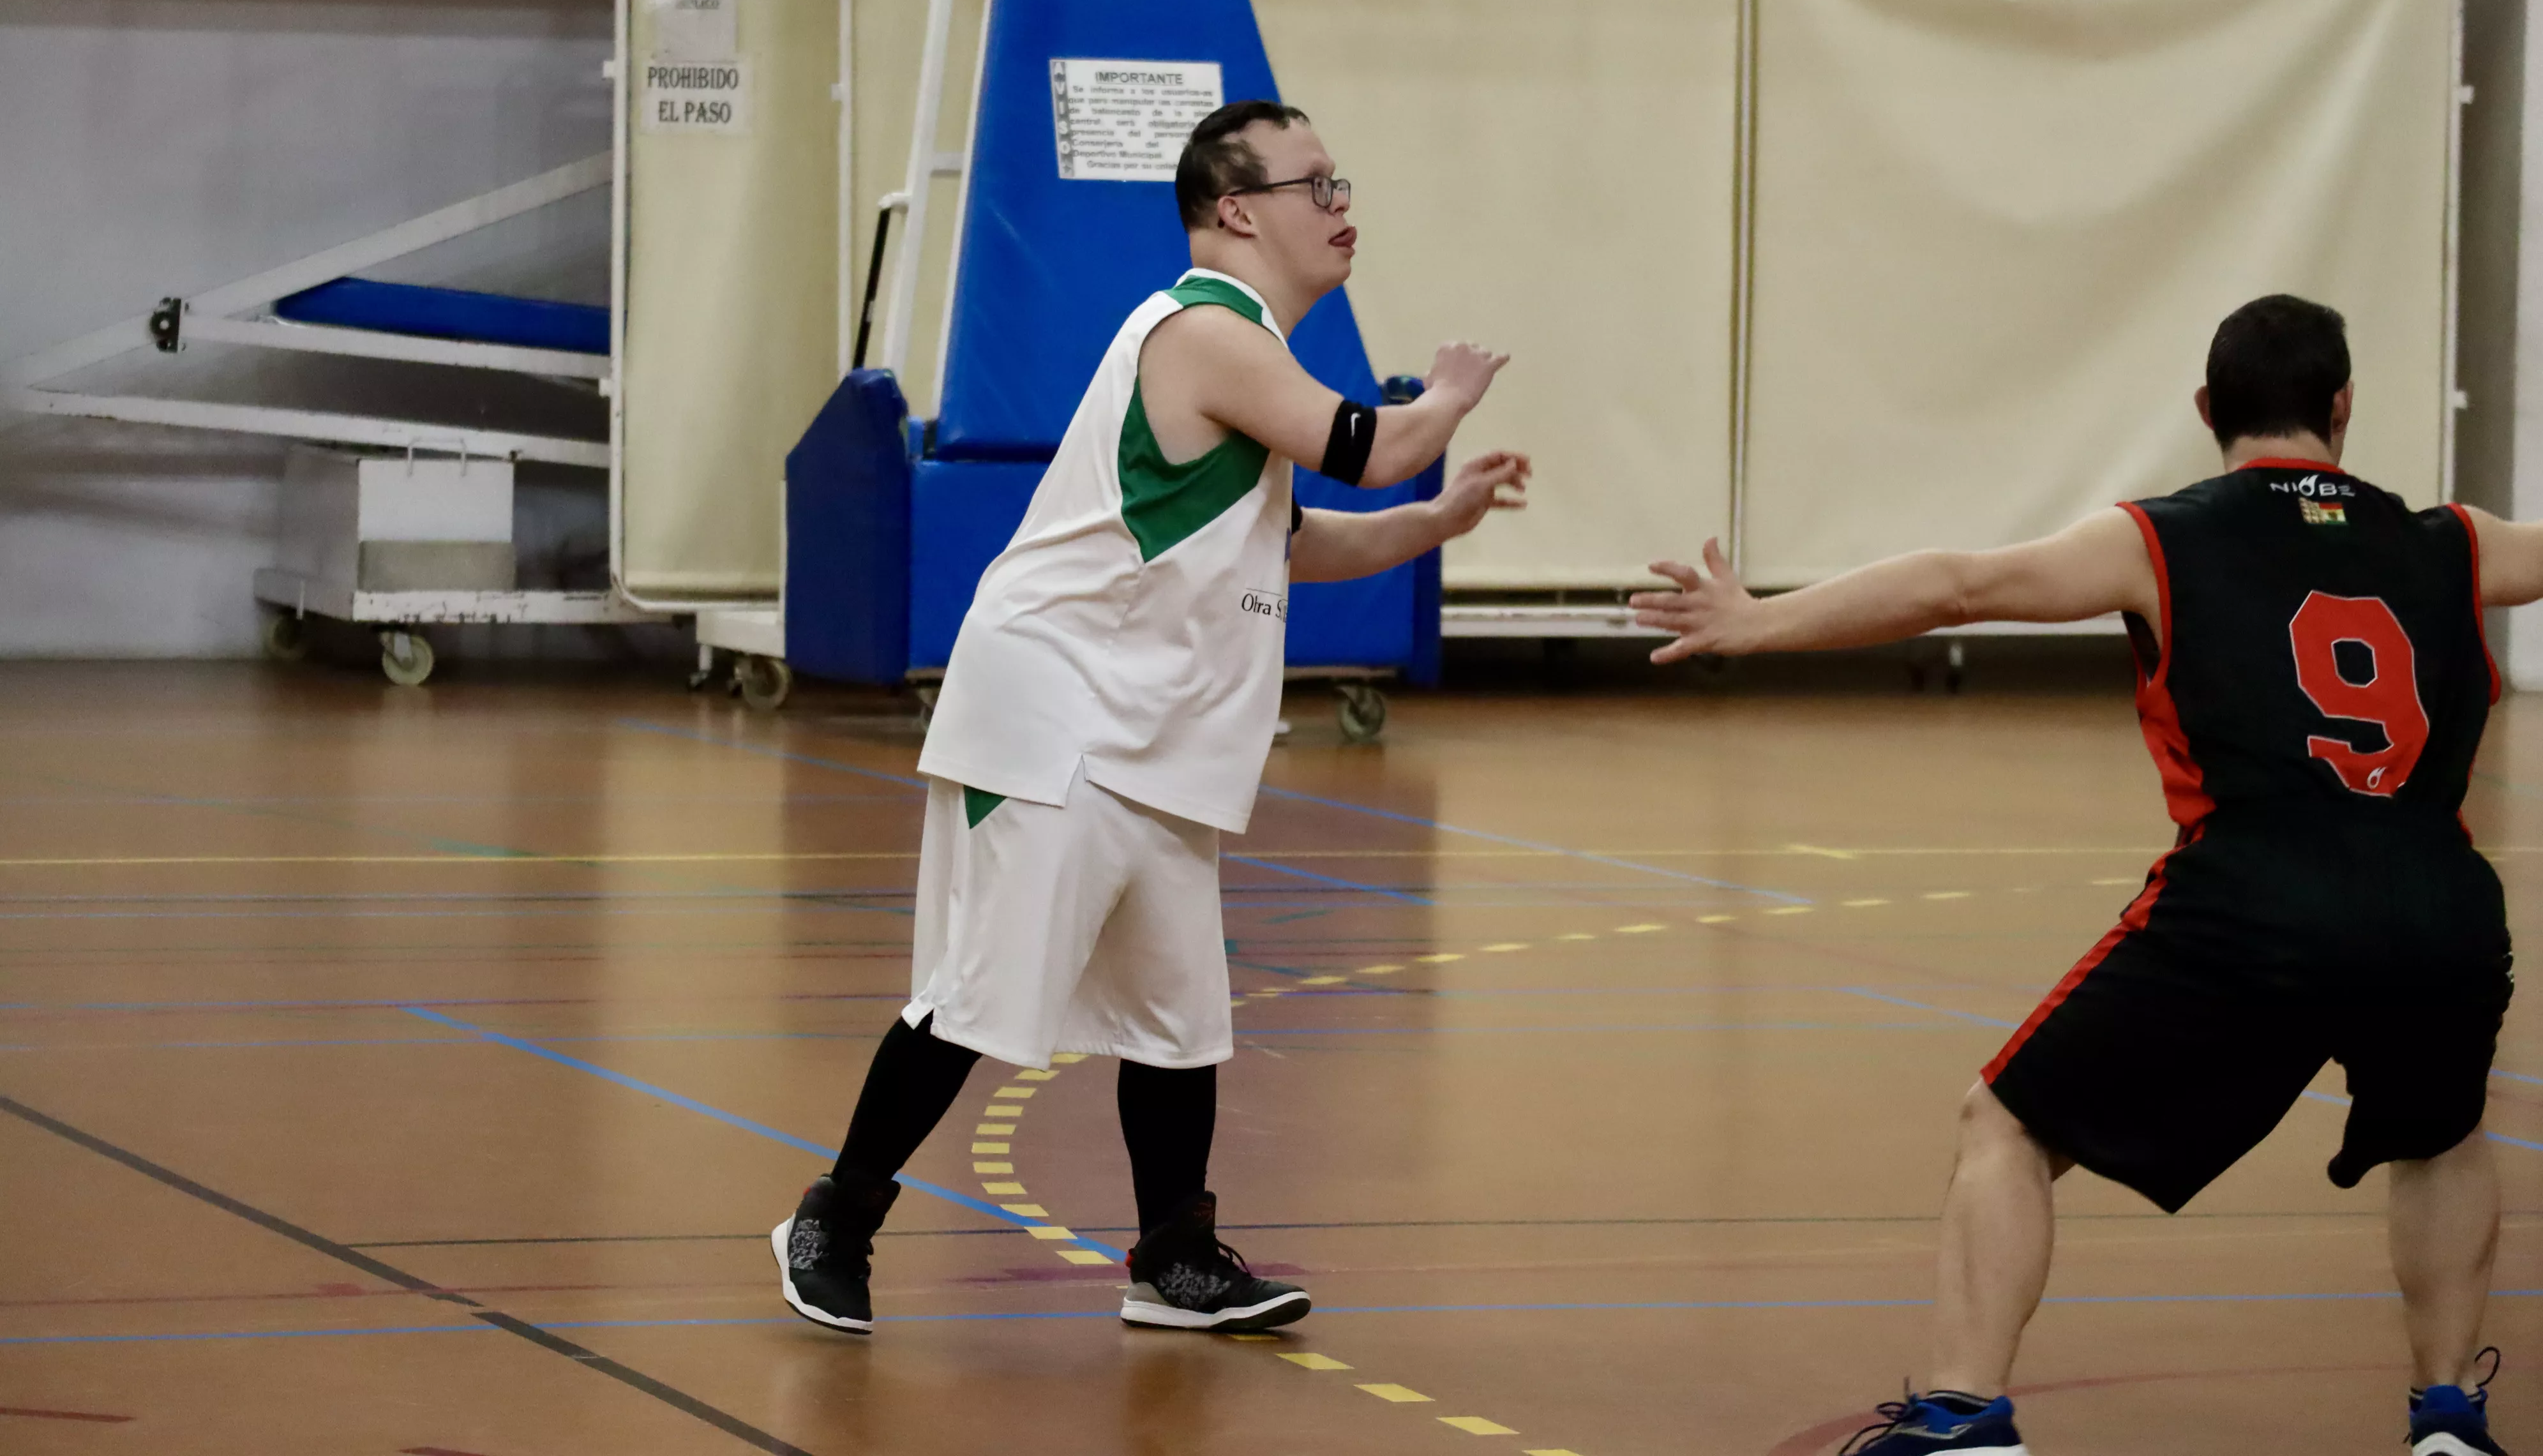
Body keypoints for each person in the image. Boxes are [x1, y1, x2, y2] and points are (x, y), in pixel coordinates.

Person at [1632, 296, 2518, 1456]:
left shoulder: (2161, 537)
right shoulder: (2454, 540)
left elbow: (1957, 585)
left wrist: (1760, 622)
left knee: (2004, 1125)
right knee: (2441, 1135)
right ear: (2344, 405)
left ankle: (1964, 1417)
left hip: (2256, 897)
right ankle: (2447, 1415)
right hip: (2440, 904)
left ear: (2209, 410)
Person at [773, 99, 1529, 1338]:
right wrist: (1444, 403)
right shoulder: (1202, 327)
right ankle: (833, 1216)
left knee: (1180, 1015)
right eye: (1317, 185)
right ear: (1237, 209)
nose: (1343, 208)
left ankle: (1173, 1256)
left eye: (1342, 184)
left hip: (1155, 729)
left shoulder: (1243, 358)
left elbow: (1292, 538)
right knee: (979, 996)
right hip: (1055, 716)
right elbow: (1367, 446)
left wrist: (1435, 524)